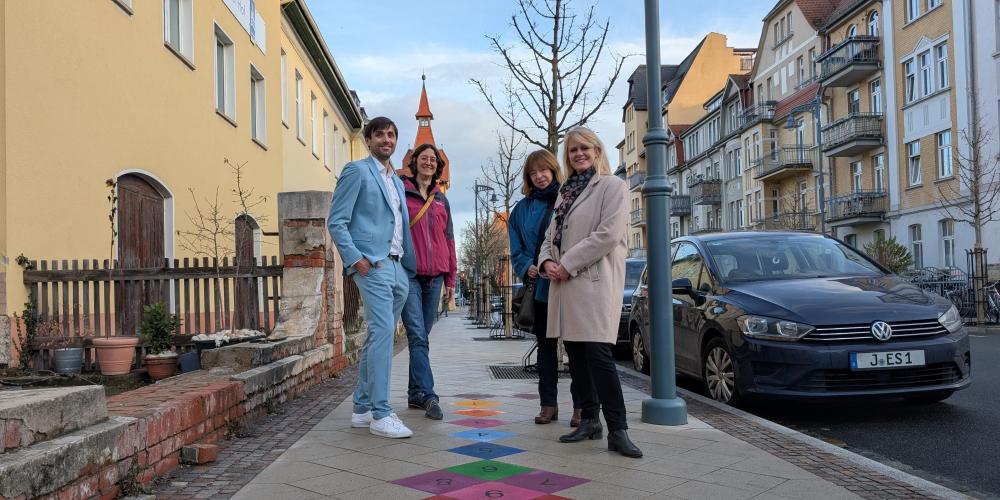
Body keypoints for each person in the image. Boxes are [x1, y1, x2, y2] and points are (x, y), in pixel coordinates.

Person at [538, 127, 643, 458]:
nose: (578, 154)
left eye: (584, 148)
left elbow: (608, 234)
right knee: (577, 358)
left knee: (599, 357)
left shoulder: (613, 186)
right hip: (564, 285)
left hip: (592, 283)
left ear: (597, 151)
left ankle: (618, 429)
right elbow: (549, 237)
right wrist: (545, 263)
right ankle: (589, 420)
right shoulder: (565, 193)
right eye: (572, 151)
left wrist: (566, 263)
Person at [327, 116, 416, 439]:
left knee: (377, 336)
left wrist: (405, 266)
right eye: (380, 135)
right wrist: (357, 260)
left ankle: (362, 408)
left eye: (392, 135)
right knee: (382, 334)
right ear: (368, 139)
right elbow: (337, 221)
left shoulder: (395, 181)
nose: (386, 140)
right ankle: (382, 413)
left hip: (396, 266)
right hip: (373, 265)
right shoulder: (357, 171)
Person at [508, 149, 582, 426]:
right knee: (546, 348)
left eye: (544, 170)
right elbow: (515, 245)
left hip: (569, 282)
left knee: (576, 347)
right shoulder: (521, 209)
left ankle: (580, 406)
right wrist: (525, 264)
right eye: (533, 172)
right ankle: (548, 404)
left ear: (553, 170)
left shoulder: (569, 199)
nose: (539, 176)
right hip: (540, 285)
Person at [400, 143, 457, 420]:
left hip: (435, 279)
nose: (429, 163)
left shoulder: (441, 199)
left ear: (438, 166)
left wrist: (451, 279)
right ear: (414, 162)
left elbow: (449, 240)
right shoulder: (402, 191)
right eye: (423, 158)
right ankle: (429, 395)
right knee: (417, 336)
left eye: (433, 159)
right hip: (409, 275)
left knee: (422, 337)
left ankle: (414, 393)